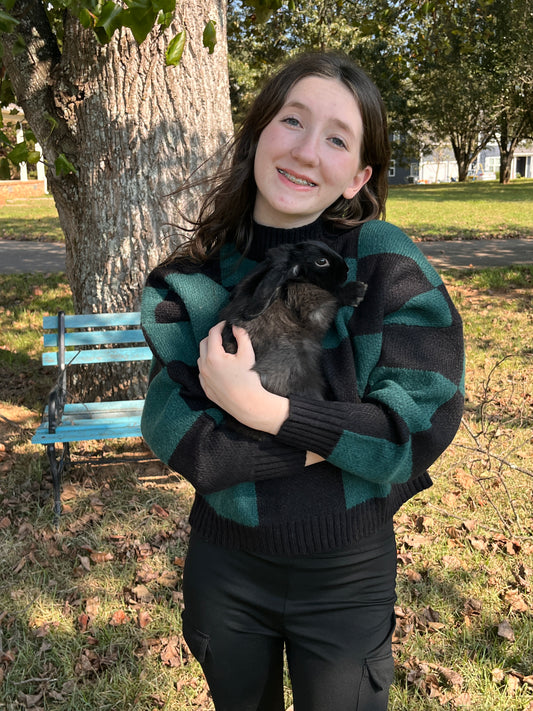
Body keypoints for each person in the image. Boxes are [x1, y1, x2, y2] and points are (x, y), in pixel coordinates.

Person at [140, 51, 464, 711]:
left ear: (358, 175)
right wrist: (343, 441)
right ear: (259, 132)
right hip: (224, 571)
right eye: (292, 121)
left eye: (337, 138)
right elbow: (186, 441)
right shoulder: (184, 286)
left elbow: (414, 427)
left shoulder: (384, 266)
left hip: (347, 571)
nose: (307, 152)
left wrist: (256, 408)